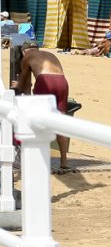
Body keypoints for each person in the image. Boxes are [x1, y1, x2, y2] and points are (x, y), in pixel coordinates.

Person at [13, 42, 72, 172]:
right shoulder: (49, 54)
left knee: (37, 117)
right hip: (62, 82)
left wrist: (16, 84)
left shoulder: (28, 56)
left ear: (24, 52)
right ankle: (64, 161)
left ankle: (34, 155)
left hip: (46, 81)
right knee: (60, 121)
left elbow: (23, 85)